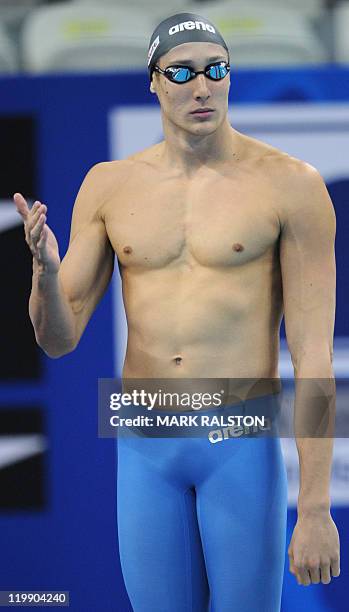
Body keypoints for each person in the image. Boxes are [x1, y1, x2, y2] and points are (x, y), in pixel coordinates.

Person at [13, 11, 340, 612]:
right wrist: (45, 277)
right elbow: (58, 339)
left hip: (238, 432)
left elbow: (314, 354)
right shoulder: (110, 185)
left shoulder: (292, 186)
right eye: (183, 72)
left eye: (216, 70)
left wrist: (315, 507)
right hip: (144, 436)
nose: (202, 87)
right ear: (154, 81)